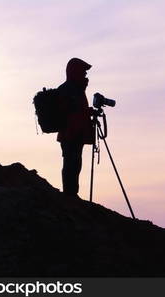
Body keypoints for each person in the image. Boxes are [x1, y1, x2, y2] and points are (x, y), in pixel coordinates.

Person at [57, 58, 95, 199]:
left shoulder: (77, 90)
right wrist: (87, 112)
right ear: (75, 72)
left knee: (75, 163)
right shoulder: (68, 89)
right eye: (83, 72)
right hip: (70, 134)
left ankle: (72, 192)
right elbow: (69, 112)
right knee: (71, 163)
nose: (85, 75)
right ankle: (69, 193)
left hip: (76, 134)